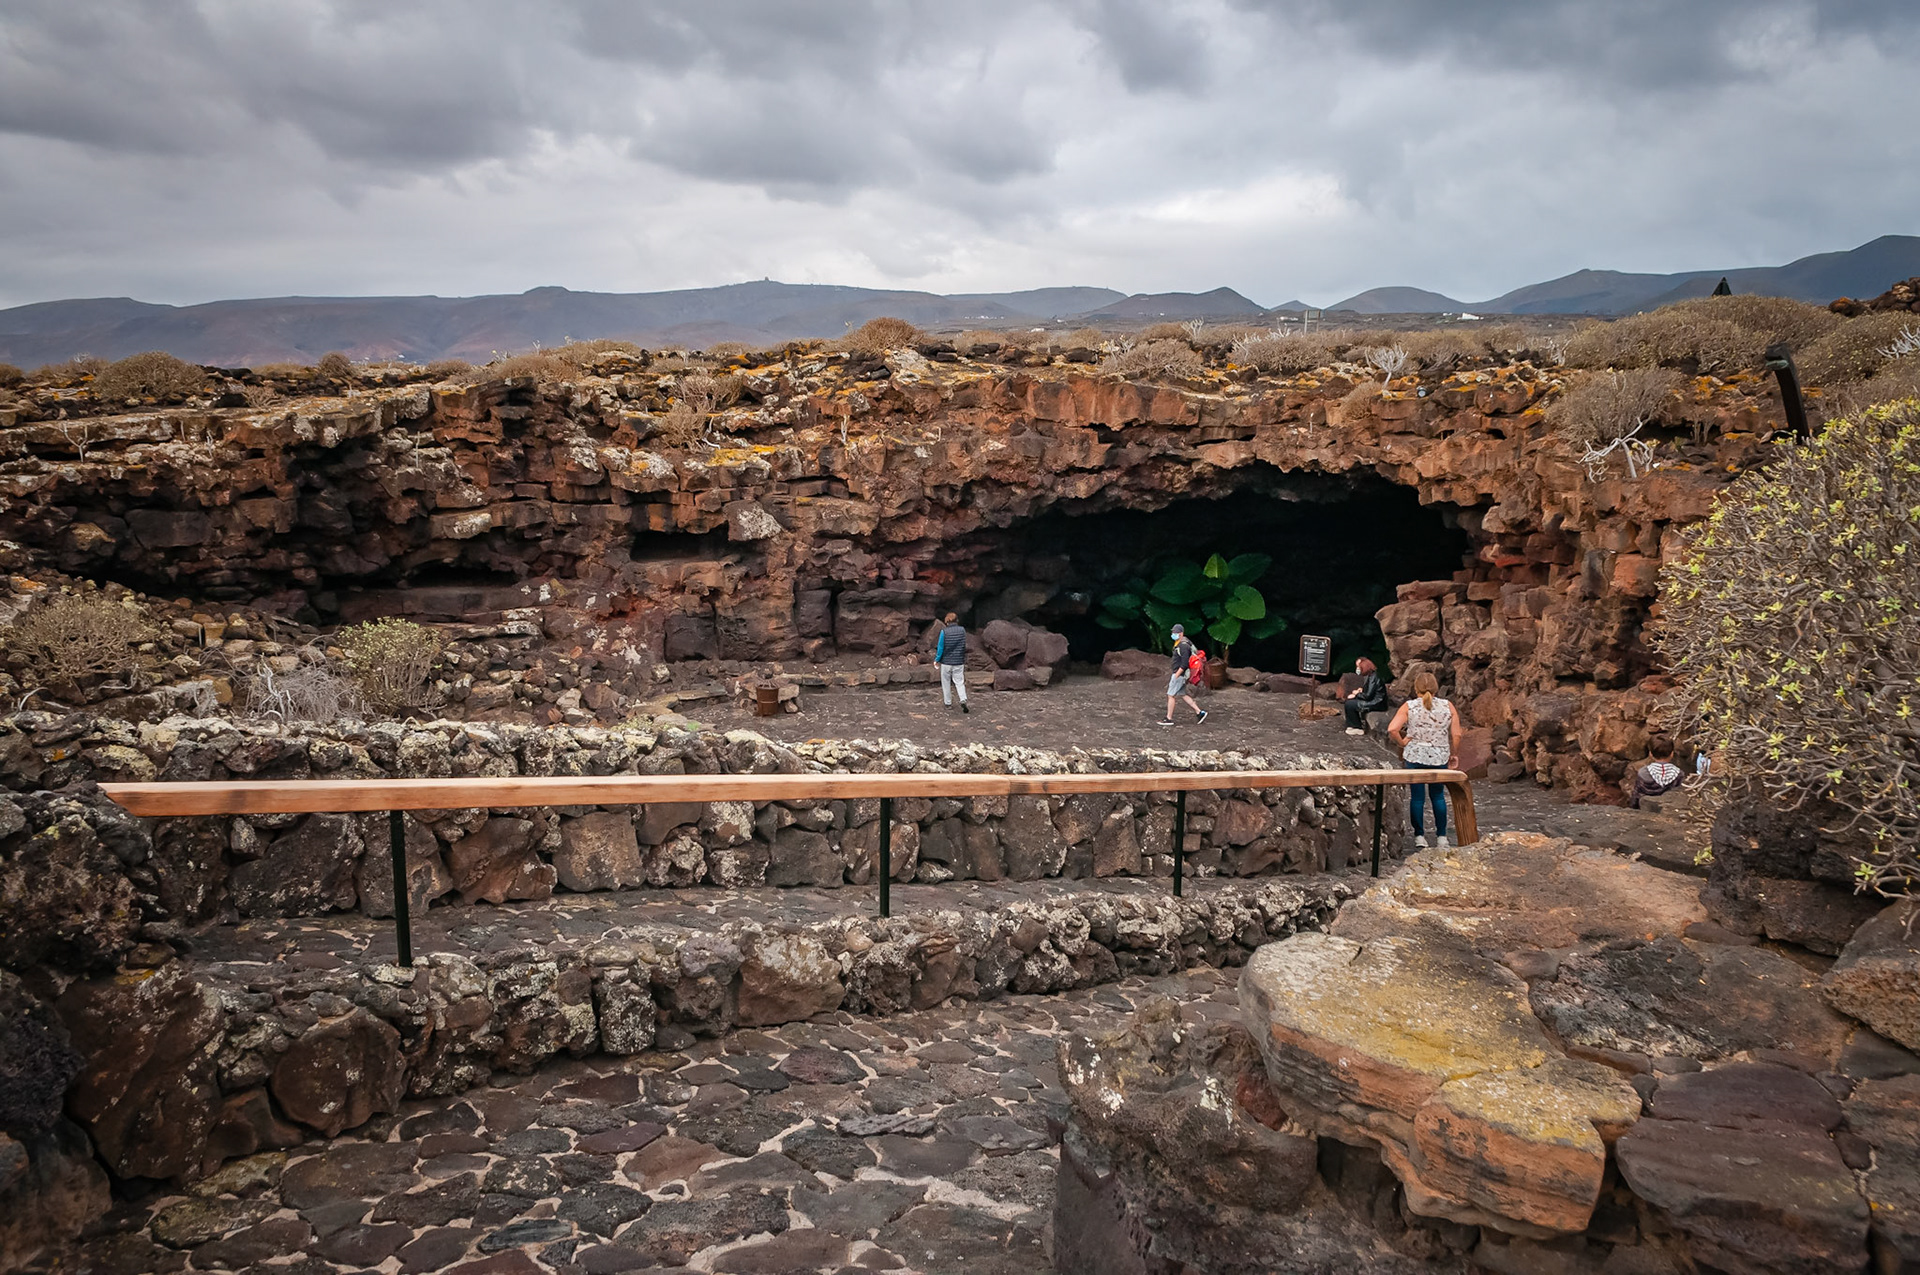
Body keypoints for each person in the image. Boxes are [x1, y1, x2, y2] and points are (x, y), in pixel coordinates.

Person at [1387, 671, 1460, 848]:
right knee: (1438, 797)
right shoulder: (1447, 706)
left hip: (1415, 755)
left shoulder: (1409, 706)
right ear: (1436, 688)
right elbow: (1457, 733)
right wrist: (1453, 753)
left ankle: (1420, 836)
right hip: (1439, 756)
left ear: (1416, 688)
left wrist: (1403, 742)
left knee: (1417, 798)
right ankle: (1442, 836)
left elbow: (1392, 729)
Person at [1158, 624, 1208, 727]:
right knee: (1183, 694)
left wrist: (1177, 675)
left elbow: (1184, 664)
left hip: (1180, 674)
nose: (1173, 634)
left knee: (1171, 695)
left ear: (1180, 633)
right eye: (1173, 632)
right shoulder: (1184, 643)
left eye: (1175, 633)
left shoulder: (1183, 646)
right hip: (1181, 674)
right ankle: (1200, 712)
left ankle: (1169, 718)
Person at [1626, 739, 1684, 808]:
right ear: (1672, 754)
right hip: (1669, 809)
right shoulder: (1679, 774)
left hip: (1645, 809)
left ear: (1650, 754)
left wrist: (1632, 808)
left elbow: (1636, 795)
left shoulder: (1643, 772)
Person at [933, 612, 969, 713]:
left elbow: (941, 647)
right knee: (959, 682)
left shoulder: (944, 632)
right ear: (957, 620)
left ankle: (948, 703)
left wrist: (937, 659)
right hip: (958, 661)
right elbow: (963, 645)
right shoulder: (962, 630)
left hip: (946, 662)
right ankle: (963, 699)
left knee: (946, 682)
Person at [1343, 657, 1387, 734]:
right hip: (1374, 700)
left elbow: (1368, 696)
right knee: (1350, 702)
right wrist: (1360, 691)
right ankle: (1353, 724)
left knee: (1350, 704)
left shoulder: (1374, 677)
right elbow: (1369, 690)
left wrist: (1356, 694)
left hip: (1376, 703)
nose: (1357, 669)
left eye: (1358, 667)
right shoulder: (1370, 675)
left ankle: (1356, 727)